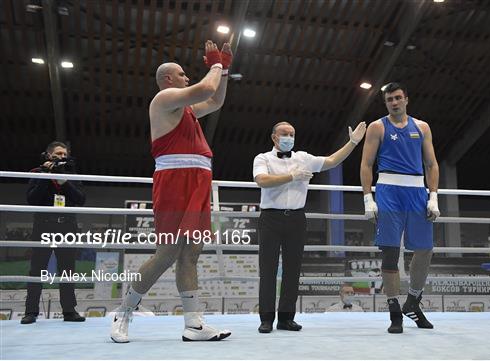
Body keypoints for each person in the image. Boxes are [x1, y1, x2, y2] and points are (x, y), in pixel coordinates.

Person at [111, 40, 232, 342]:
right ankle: (123, 313)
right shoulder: (164, 99)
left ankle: (194, 324)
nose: (186, 77)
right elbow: (206, 89)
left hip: (198, 181)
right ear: (168, 79)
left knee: (191, 254)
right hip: (174, 181)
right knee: (166, 253)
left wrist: (225, 72)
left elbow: (215, 101)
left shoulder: (186, 109)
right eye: (181, 74)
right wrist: (215, 65)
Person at [253, 120, 366, 333]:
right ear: (274, 137)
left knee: (292, 270)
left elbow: (332, 161)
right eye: (284, 133)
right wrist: (292, 177)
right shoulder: (263, 158)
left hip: (296, 218)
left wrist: (352, 142)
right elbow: (261, 180)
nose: (288, 137)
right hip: (270, 218)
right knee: (267, 271)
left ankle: (286, 318)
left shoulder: (303, 158)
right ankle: (266, 318)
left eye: (292, 133)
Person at [360, 82, 440, 333]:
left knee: (424, 249)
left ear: (406, 99)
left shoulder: (422, 127)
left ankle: (413, 302)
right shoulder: (377, 127)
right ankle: (395, 311)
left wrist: (433, 197)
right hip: (388, 191)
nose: (394, 103)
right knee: (390, 253)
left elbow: (432, 164)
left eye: (397, 98)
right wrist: (368, 198)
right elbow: (366, 164)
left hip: (417, 191)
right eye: (389, 100)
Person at [21, 141, 86, 324]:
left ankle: (69, 311)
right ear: (49, 155)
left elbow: (81, 199)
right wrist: (46, 176)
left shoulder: (72, 175)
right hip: (44, 226)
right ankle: (31, 311)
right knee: (37, 270)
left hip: (67, 226)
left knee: (67, 270)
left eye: (64, 154)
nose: (62, 157)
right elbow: (32, 200)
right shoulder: (37, 173)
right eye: (58, 153)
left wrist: (64, 181)